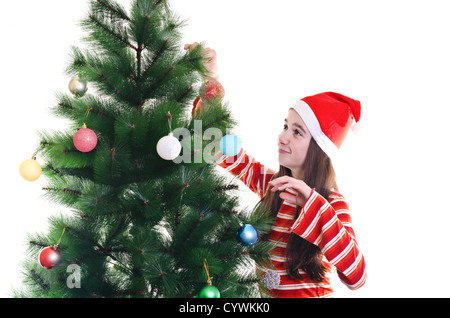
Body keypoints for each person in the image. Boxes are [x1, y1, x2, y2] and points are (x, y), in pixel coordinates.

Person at [184, 43, 367, 298]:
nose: (282, 137)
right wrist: (210, 81)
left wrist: (315, 205)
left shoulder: (332, 203)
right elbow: (219, 148)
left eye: (297, 132)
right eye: (285, 126)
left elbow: (357, 277)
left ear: (319, 149)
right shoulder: (275, 185)